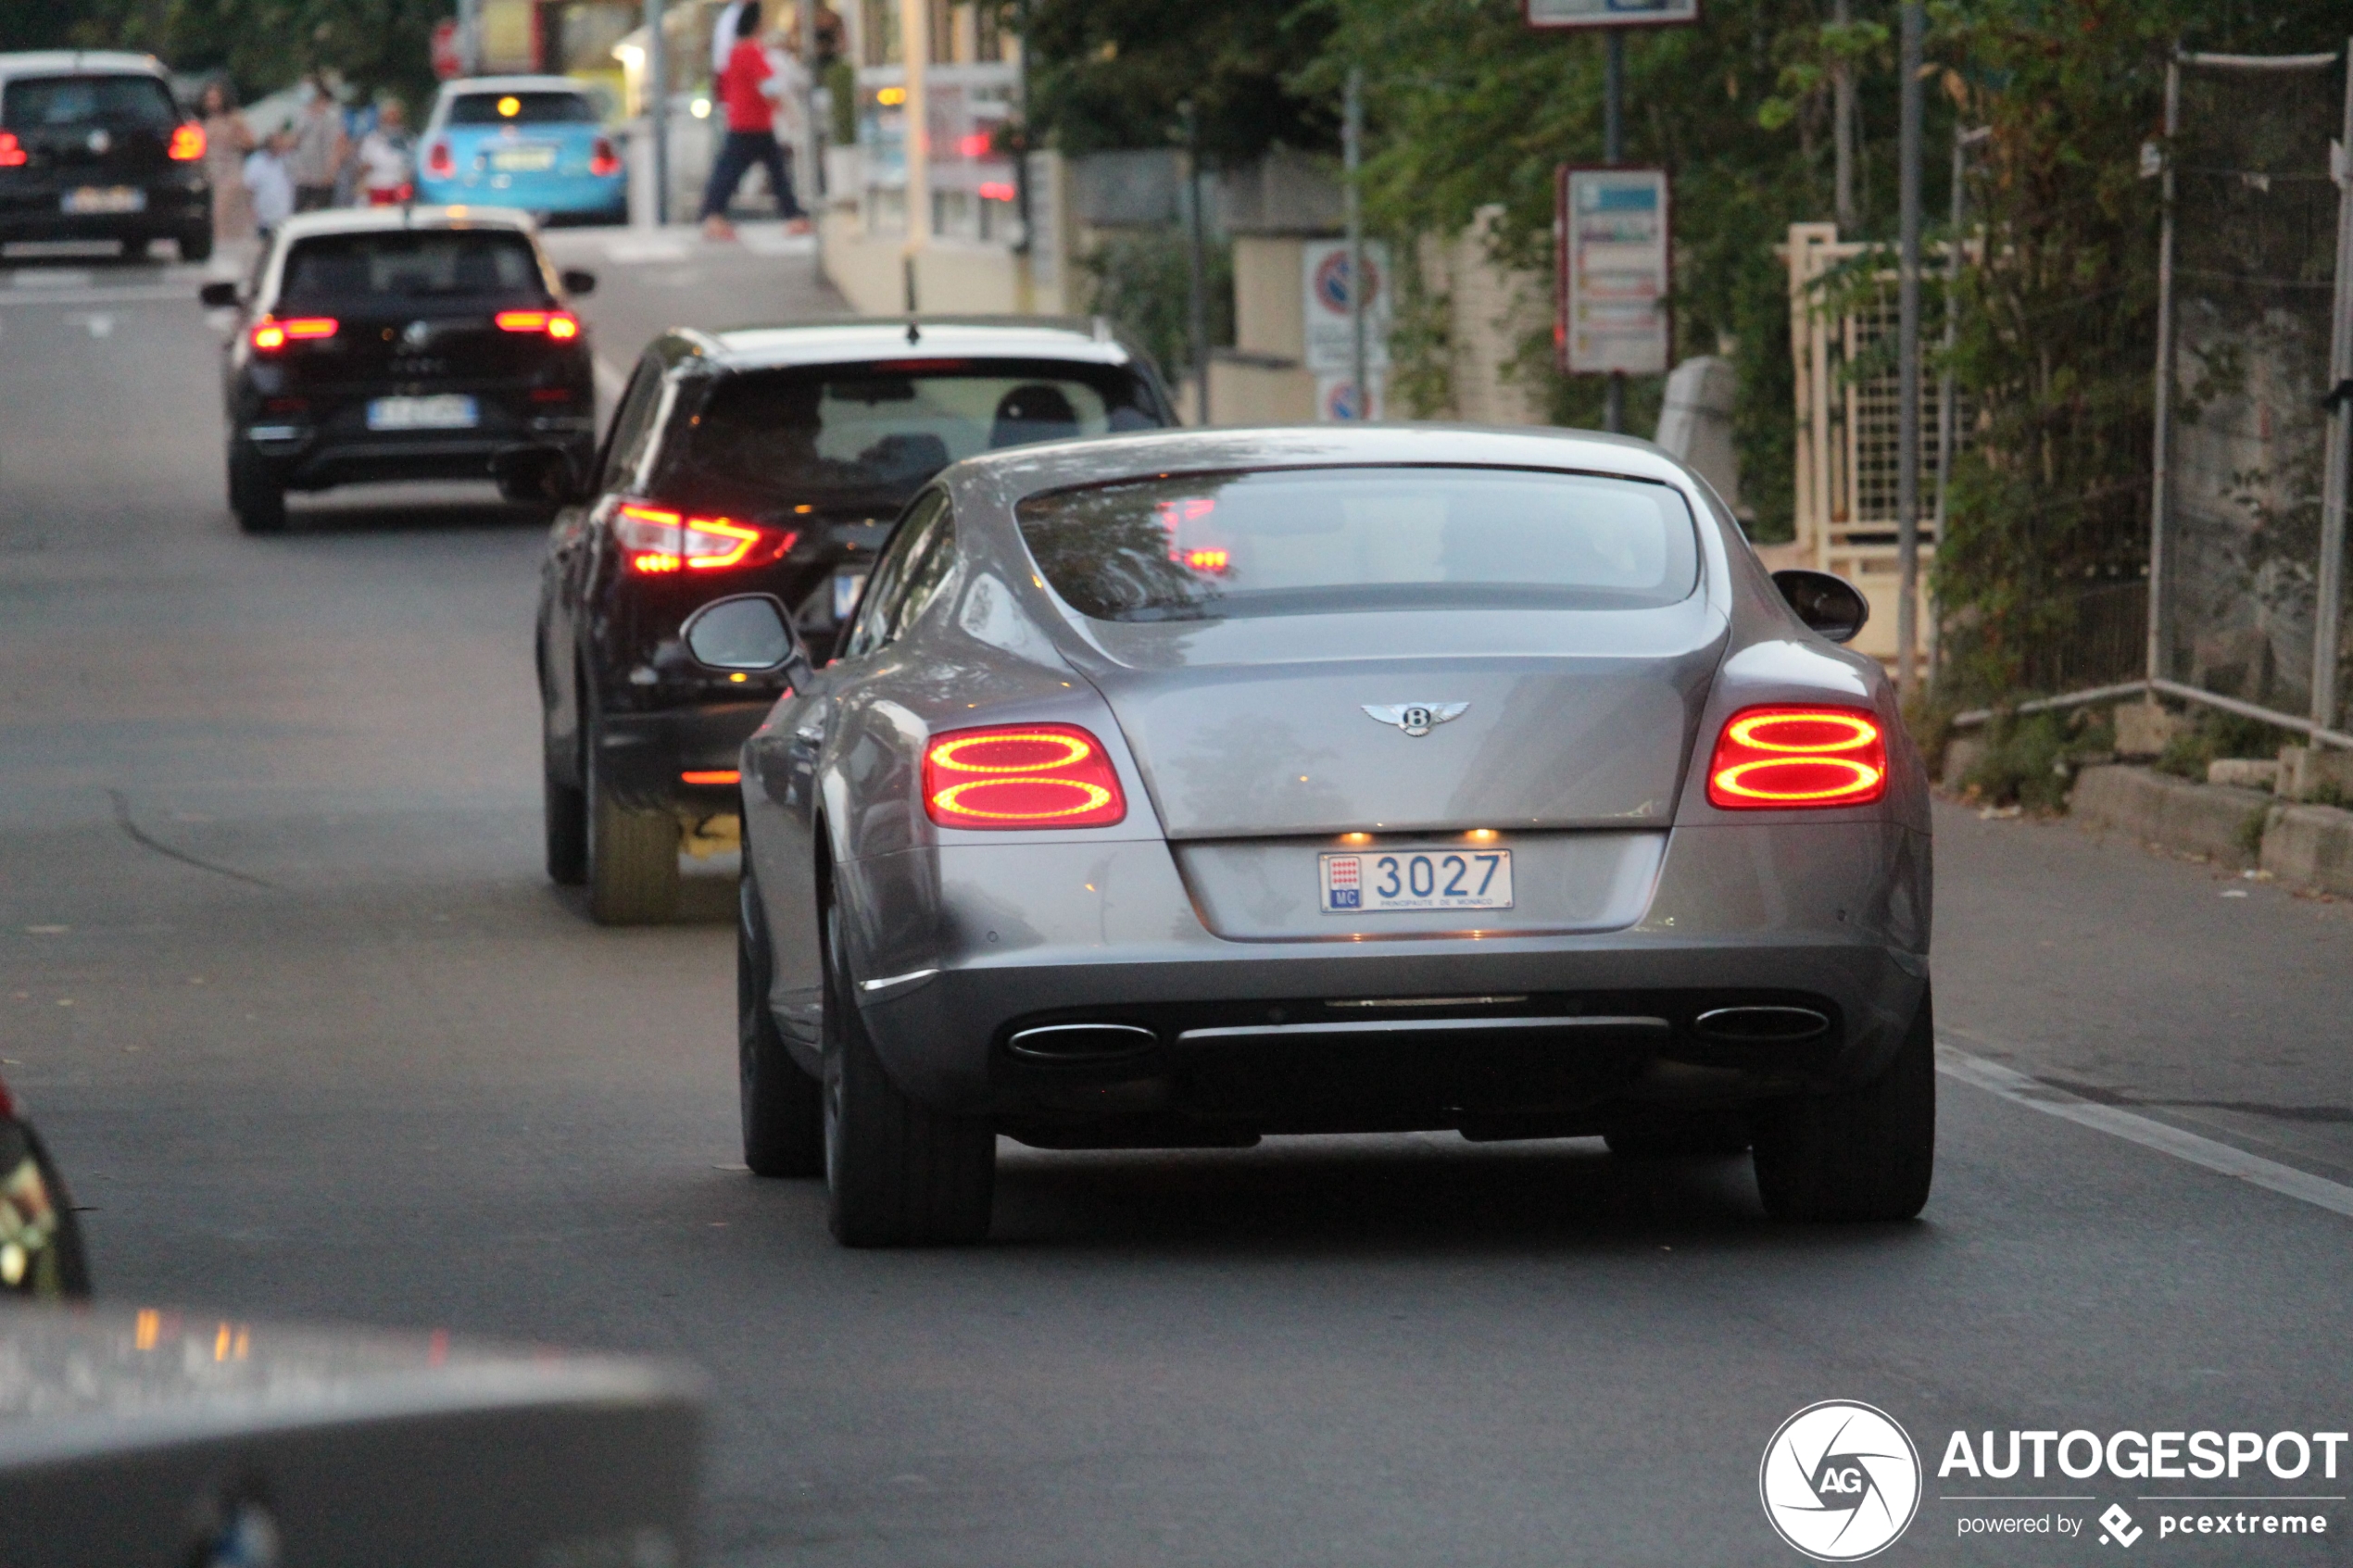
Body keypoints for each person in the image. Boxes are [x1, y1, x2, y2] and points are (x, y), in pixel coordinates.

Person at [698, 1, 805, 240]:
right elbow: (766, 83)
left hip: (743, 119)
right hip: (753, 122)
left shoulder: (734, 51)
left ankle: (792, 215)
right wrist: (785, 109)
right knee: (747, 172)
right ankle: (713, 215)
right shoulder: (751, 50)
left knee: (752, 170)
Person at [196, 81, 257, 245]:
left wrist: (235, 141)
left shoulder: (234, 119)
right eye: (209, 99)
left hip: (230, 174)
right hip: (211, 172)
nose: (211, 103)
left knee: (221, 212)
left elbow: (250, 142)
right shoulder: (206, 122)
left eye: (215, 98)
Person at [284, 76, 347, 212]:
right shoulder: (301, 115)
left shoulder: (332, 114)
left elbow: (339, 143)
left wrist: (331, 171)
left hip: (323, 178)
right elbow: (293, 141)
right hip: (303, 177)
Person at [353, 98, 413, 206]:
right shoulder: (372, 139)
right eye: (388, 115)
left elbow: (410, 164)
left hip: (398, 187)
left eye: (394, 114)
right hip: (376, 186)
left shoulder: (408, 139)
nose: (391, 118)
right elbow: (363, 166)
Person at [244, 130, 295, 240]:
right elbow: (249, 188)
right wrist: (251, 212)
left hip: (286, 216)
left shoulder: (287, 160)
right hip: (265, 218)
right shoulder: (256, 162)